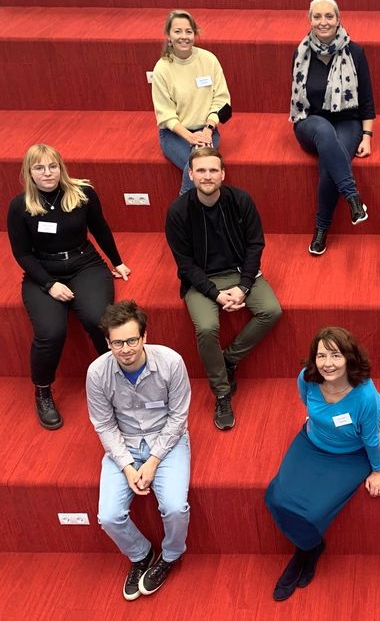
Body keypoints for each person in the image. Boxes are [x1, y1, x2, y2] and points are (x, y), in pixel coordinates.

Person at [7, 143, 131, 430]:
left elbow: (100, 228)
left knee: (99, 320)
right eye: (39, 167)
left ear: (60, 167)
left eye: (52, 166)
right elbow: (22, 254)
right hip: (43, 272)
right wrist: (50, 285)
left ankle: (117, 381)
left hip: (85, 264)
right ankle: (43, 390)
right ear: (29, 172)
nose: (47, 173)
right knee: (51, 331)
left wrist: (117, 261)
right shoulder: (20, 205)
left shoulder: (83, 193)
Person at [265, 327, 380, 601]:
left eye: (336, 355)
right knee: (274, 497)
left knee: (312, 513)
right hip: (311, 442)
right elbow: (305, 404)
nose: (328, 363)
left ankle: (304, 554)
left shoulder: (366, 396)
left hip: (349, 456)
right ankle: (311, 547)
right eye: (321, 355)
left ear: (349, 358)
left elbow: (371, 437)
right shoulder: (307, 378)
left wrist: (378, 469)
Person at [165, 147, 282, 430]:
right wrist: (215, 294)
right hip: (201, 280)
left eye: (213, 170)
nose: (208, 176)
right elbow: (185, 264)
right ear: (190, 174)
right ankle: (221, 392)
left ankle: (228, 359)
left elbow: (255, 245)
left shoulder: (240, 200)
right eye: (201, 170)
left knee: (272, 310)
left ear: (222, 174)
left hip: (241, 274)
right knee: (206, 328)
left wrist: (243, 287)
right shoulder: (178, 212)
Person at [87, 301, 191, 600]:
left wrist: (154, 460)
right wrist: (128, 466)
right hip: (125, 443)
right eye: (117, 343)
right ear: (108, 343)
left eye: (132, 340)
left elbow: (179, 417)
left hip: (168, 442)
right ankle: (141, 553)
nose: (126, 349)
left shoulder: (171, 362)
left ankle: (171, 555)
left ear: (144, 337)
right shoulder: (97, 372)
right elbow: (104, 424)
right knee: (108, 516)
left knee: (174, 507)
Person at [289, 0, 375, 256]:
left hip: (348, 120)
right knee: (325, 132)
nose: (323, 22)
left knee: (330, 159)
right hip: (309, 121)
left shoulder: (355, 52)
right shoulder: (301, 52)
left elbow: (367, 99)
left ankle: (321, 229)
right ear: (310, 20)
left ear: (339, 20)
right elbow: (297, 99)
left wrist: (367, 135)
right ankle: (353, 197)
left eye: (329, 16)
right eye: (317, 16)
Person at [152, 9, 231, 195]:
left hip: (207, 131)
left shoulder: (208, 60)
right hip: (175, 135)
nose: (184, 36)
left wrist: (207, 130)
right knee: (197, 164)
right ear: (168, 36)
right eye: (177, 31)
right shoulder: (162, 68)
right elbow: (166, 115)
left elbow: (222, 101)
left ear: (195, 34)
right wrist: (190, 137)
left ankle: (187, 216)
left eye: (188, 31)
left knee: (199, 163)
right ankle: (187, 216)